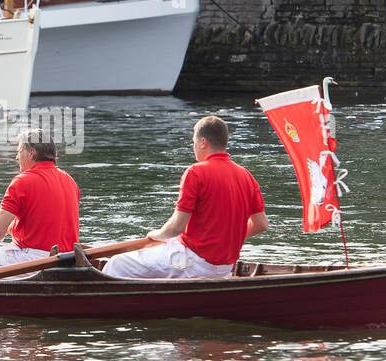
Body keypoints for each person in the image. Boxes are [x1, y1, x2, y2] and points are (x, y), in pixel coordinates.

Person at [103, 115, 268, 279]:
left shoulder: (196, 172)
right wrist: (226, 237)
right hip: (224, 267)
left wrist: (155, 235)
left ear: (203, 142)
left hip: (193, 260)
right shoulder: (247, 175)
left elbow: (176, 227)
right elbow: (261, 224)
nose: (193, 146)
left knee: (117, 264)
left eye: (193, 142)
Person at [0, 128, 79, 277]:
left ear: (31, 152)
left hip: (34, 259)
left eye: (19, 151)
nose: (17, 157)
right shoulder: (70, 180)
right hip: (68, 259)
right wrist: (14, 228)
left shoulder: (22, 181)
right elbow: (47, 219)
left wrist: (3, 229)